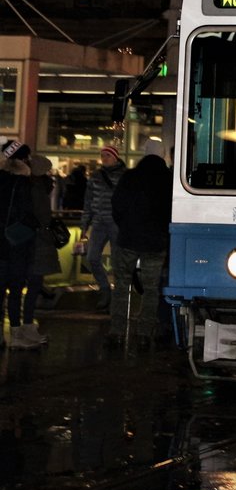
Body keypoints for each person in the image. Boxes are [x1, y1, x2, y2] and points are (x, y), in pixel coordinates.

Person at [108, 153, 172, 348]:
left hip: (128, 239)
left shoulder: (129, 177)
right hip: (155, 243)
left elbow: (116, 205)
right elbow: (171, 210)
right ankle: (144, 333)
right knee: (151, 289)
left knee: (121, 286)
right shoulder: (167, 180)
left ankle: (116, 332)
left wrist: (126, 226)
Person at [8, 153, 58, 349]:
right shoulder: (37, 188)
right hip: (34, 241)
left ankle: (20, 330)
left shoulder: (27, 185)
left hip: (23, 241)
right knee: (32, 284)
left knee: (17, 287)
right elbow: (43, 216)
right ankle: (24, 328)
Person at [80, 144, 127, 311]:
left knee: (117, 261)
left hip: (116, 223)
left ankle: (118, 295)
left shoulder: (125, 175)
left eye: (107, 155)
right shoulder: (96, 176)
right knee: (92, 257)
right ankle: (105, 288)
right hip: (99, 222)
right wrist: (85, 224)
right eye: (102, 155)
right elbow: (88, 200)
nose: (104, 158)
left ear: (115, 157)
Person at [0, 138, 36, 350]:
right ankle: (15, 334)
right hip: (16, 244)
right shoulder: (22, 183)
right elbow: (26, 214)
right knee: (15, 290)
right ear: (22, 159)